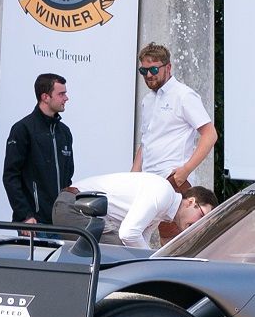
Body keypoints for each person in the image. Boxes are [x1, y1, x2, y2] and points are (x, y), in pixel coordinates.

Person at [134, 42, 215, 188]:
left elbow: (210, 134)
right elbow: (146, 140)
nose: (149, 75)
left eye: (153, 69)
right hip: (147, 180)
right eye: (143, 71)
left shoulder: (184, 95)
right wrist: (133, 174)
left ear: (168, 68)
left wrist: (185, 171)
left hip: (173, 179)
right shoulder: (148, 100)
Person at [71, 170, 215, 249]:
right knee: (119, 251)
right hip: (74, 205)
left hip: (81, 208)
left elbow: (140, 244)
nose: (199, 224)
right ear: (190, 202)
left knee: (124, 254)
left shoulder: (164, 208)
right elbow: (128, 234)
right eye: (202, 216)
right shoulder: (163, 194)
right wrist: (151, 262)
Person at [2, 71, 75, 225]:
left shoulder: (65, 132)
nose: (66, 98)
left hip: (61, 223)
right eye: (61, 94)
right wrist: (25, 215)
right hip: (33, 222)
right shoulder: (22, 129)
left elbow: (67, 177)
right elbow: (10, 176)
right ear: (45, 97)